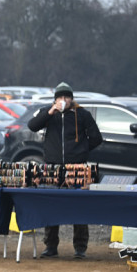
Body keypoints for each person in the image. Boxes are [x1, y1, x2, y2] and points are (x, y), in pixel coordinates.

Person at [27, 82, 103, 259]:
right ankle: (51, 246)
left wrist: (81, 151)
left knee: (79, 207)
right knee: (52, 207)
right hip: (53, 167)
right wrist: (51, 111)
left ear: (71, 98)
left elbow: (97, 138)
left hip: (76, 167)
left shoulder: (82, 114)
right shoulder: (49, 113)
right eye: (60, 97)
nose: (63, 100)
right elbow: (32, 126)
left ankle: (80, 248)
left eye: (66, 97)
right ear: (55, 99)